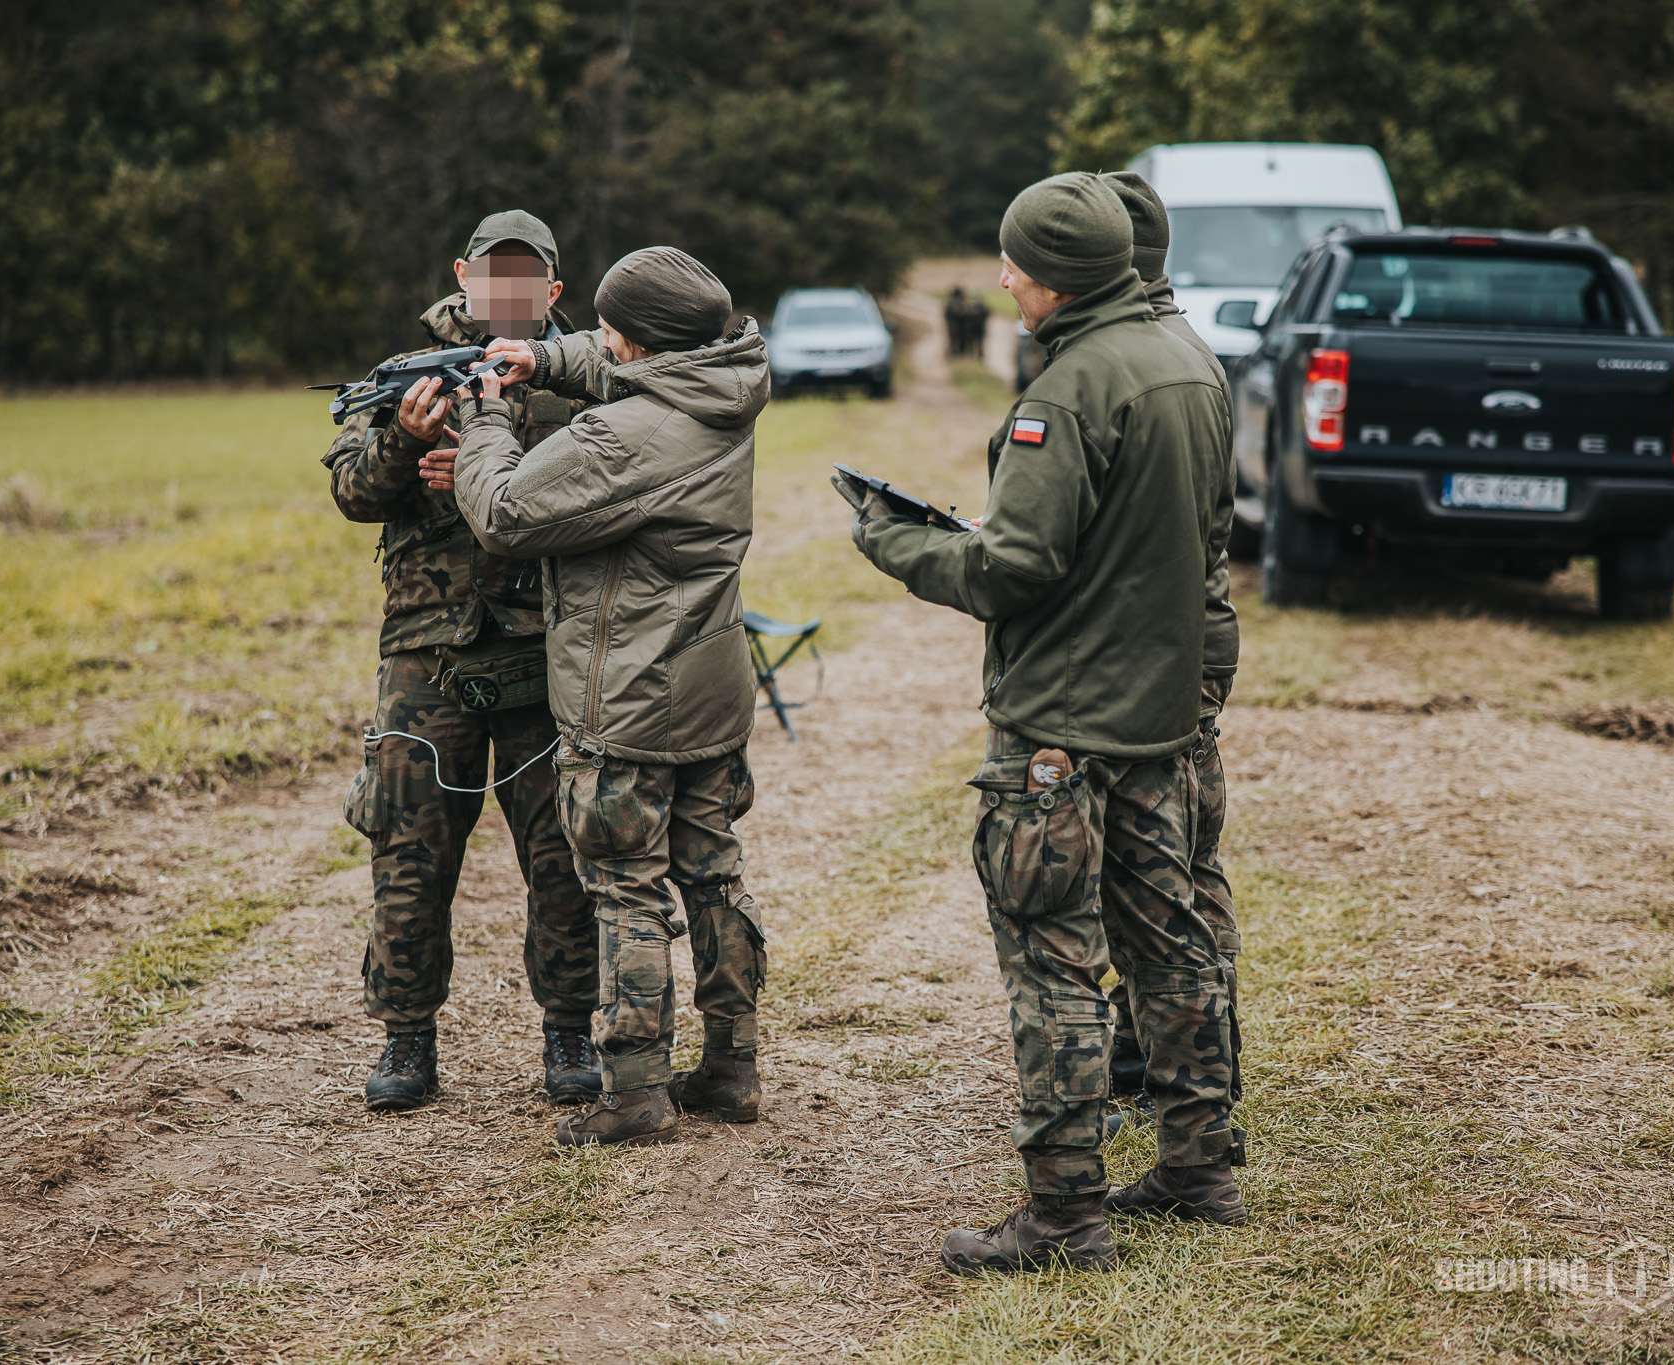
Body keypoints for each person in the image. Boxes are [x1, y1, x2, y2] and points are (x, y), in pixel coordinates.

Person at [847, 172, 1245, 1275]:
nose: (1005, 280)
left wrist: (893, 540)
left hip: (1063, 732)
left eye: (1015, 264)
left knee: (1053, 966)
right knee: (1170, 946)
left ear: (1055, 277)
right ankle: (1199, 1170)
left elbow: (1013, 568)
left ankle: (1064, 1218)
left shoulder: (1065, 392)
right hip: (1162, 719)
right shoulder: (1189, 364)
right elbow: (1188, 538)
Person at [424, 246, 770, 1148]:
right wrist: (546, 359)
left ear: (632, 338)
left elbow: (502, 511)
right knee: (714, 876)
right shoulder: (722, 383)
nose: (597, 341)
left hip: (627, 696)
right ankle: (733, 1067)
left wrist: (488, 413)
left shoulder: (622, 438)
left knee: (625, 890)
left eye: (605, 329)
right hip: (708, 684)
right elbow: (624, 374)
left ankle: (635, 1092)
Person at [325, 211, 603, 1114]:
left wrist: (500, 468)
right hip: (425, 652)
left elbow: (621, 486)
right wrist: (406, 447)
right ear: (465, 276)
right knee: (409, 853)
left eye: (530, 278)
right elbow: (350, 491)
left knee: (562, 855)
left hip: (540, 646)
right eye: (495, 274)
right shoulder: (404, 376)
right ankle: (406, 1039)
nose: (511, 290)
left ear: (554, 291)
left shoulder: (585, 379)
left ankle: (569, 1030)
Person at [1097, 171, 1242, 1107]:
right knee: (1187, 855)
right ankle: (1178, 1048)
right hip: (1196, 632)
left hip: (1159, 643)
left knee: (1158, 866)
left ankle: (1179, 1061)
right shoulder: (1183, 346)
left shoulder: (1139, 359)